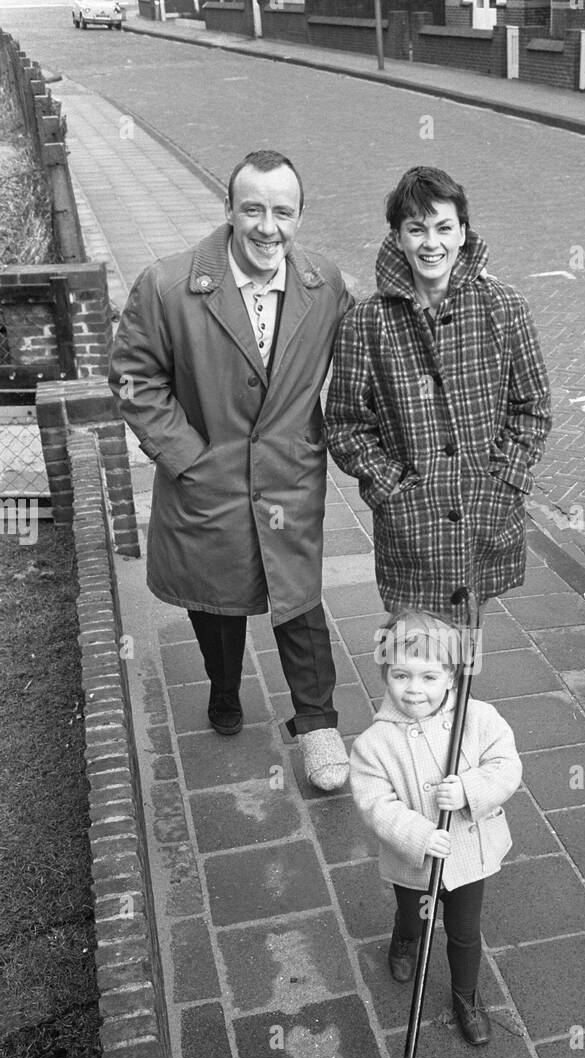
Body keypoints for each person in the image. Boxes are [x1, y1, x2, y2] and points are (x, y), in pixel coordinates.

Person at [109, 149, 352, 791]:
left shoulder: (324, 283)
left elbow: (365, 354)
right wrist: (187, 457)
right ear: (229, 210)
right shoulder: (167, 286)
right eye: (253, 210)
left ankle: (317, 721)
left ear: (300, 215)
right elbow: (135, 378)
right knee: (217, 603)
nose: (267, 227)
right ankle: (223, 688)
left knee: (298, 596)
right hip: (208, 480)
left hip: (288, 479)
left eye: (282, 211)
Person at [325, 165, 552, 621]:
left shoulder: (504, 308)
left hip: (483, 505)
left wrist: (504, 479)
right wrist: (391, 488)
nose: (432, 244)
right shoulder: (367, 323)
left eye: (444, 227)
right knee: (416, 647)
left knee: (470, 621)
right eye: (417, 229)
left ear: (463, 232)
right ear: (397, 237)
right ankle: (431, 695)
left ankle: (463, 696)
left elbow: (533, 407)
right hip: (413, 522)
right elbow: (346, 424)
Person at [349, 610, 522, 1046]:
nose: (414, 689)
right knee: (416, 916)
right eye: (401, 675)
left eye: (429, 676)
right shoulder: (374, 744)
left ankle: (466, 996)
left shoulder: (479, 719)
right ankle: (404, 937)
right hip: (415, 861)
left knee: (465, 932)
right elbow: (375, 805)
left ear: (451, 675)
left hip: (468, 856)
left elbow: (506, 766)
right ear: (385, 673)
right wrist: (420, 835)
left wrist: (468, 789)